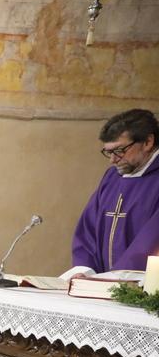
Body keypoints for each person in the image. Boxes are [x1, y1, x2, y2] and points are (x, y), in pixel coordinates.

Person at [71, 109, 159, 273]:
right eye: (108, 152)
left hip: (142, 288)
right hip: (102, 286)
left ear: (148, 142)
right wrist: (84, 272)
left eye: (119, 150)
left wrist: (117, 278)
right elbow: (88, 230)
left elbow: (152, 240)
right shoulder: (112, 178)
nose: (113, 160)